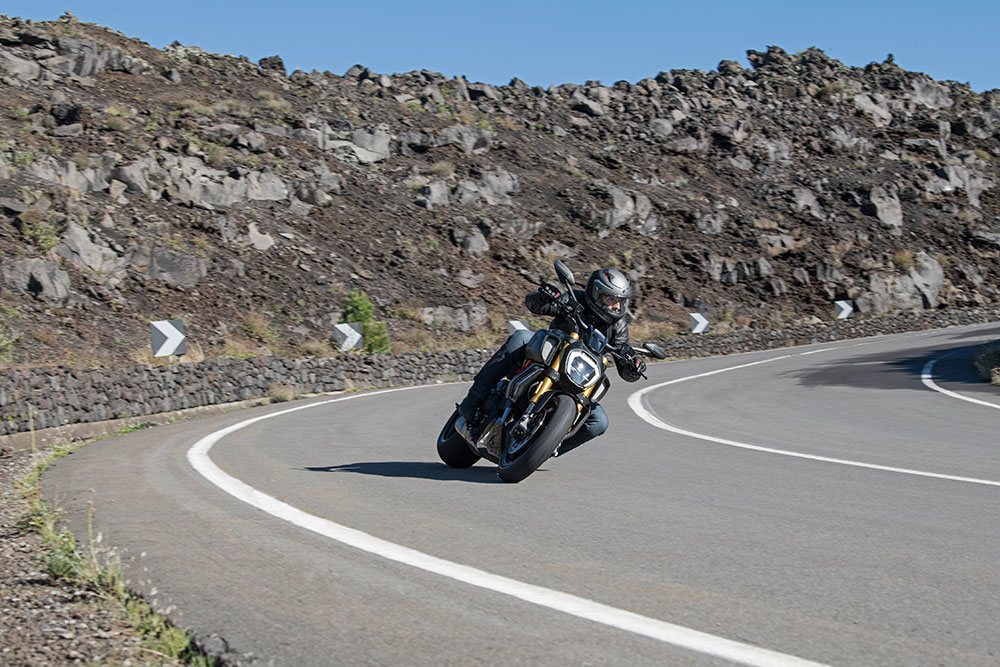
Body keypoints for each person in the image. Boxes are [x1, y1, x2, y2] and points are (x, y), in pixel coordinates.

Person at [456, 267, 647, 456]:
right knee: (521, 336)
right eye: (611, 299)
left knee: (599, 422)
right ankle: (473, 400)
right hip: (547, 359)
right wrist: (544, 297)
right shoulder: (576, 299)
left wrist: (634, 364)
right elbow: (535, 306)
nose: (617, 306)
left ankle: (543, 449)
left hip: (578, 379)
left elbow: (625, 364)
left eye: (620, 301)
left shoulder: (619, 327)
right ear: (596, 294)